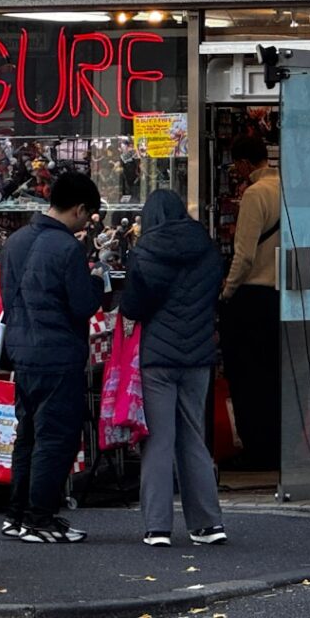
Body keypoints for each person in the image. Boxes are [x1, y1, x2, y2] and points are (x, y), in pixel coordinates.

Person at [0, 172, 105, 543]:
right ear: (79, 209)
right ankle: (40, 518)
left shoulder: (15, 242)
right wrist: (97, 281)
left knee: (26, 435)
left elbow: (10, 296)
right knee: (55, 438)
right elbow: (83, 305)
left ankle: (17, 514)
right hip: (58, 353)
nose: (86, 222)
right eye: (87, 215)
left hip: (21, 350)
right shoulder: (66, 249)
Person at [120, 189, 226, 547]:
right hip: (198, 357)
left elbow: (133, 308)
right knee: (193, 437)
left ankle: (157, 527)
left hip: (158, 359)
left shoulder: (145, 252)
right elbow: (214, 296)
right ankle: (209, 524)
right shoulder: (207, 249)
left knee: (159, 440)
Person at [220, 134, 281, 470]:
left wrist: (227, 292)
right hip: (280, 296)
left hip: (252, 297)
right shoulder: (285, 188)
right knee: (273, 377)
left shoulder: (255, 194)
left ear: (244, 163)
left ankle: (256, 449)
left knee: (247, 380)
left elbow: (244, 255)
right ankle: (276, 445)